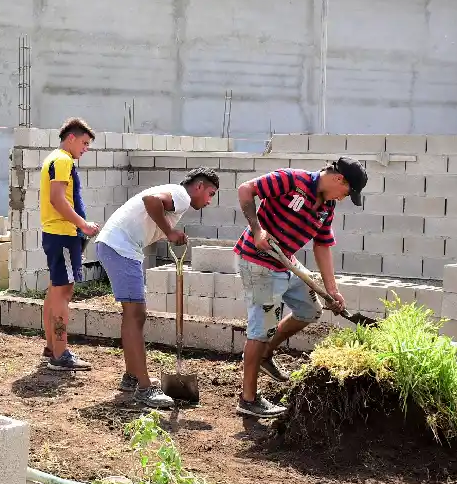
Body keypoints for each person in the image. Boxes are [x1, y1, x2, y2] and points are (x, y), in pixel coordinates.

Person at [234, 156, 369, 419]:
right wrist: (257, 230)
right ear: (338, 179)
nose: (344, 198)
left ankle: (265, 355)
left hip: (286, 261)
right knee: (261, 328)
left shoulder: (327, 205)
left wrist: (332, 289)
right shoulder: (293, 180)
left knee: (310, 310)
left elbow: (322, 244)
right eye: (347, 192)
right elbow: (245, 189)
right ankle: (248, 399)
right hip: (259, 261)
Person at [94, 168, 220, 407]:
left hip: (115, 245)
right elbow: (150, 201)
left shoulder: (175, 196)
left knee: (133, 315)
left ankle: (132, 376)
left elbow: (150, 214)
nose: (209, 201)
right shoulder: (181, 195)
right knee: (136, 315)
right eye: (210, 194)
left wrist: (168, 233)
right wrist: (170, 230)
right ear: (199, 186)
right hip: (121, 248)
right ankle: (144, 388)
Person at [40, 118, 100, 371]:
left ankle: (51, 347)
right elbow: (57, 199)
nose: (85, 148)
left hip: (56, 234)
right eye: (84, 143)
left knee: (55, 290)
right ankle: (61, 354)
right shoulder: (63, 160)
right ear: (71, 138)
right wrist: (82, 224)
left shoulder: (54, 158)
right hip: (64, 236)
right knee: (64, 293)